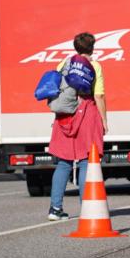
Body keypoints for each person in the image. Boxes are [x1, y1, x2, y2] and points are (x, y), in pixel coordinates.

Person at [48, 33, 107, 220]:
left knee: (63, 163)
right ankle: (86, 208)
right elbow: (98, 96)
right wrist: (104, 120)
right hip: (86, 114)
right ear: (92, 47)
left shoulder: (64, 63)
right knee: (85, 162)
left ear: (75, 47)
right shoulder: (95, 66)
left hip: (64, 116)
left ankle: (55, 209)